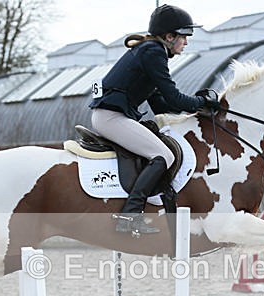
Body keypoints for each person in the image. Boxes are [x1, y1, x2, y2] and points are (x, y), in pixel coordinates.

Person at [89, 4, 219, 235]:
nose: (186, 42)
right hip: (111, 117)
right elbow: (175, 97)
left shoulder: (149, 52)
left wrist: (197, 108)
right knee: (164, 155)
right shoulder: (154, 52)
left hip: (111, 116)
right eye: (184, 37)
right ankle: (129, 216)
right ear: (169, 37)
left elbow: (162, 105)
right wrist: (202, 101)